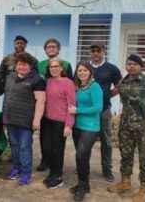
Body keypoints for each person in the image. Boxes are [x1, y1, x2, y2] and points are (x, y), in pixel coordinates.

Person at [108, 54, 145, 202]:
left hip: (143, 128)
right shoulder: (122, 82)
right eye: (129, 64)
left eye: (135, 64)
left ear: (141, 66)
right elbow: (111, 94)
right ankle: (125, 183)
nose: (131, 66)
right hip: (125, 126)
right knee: (125, 155)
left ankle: (144, 191)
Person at [3, 52, 46, 186]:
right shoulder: (10, 77)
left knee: (24, 147)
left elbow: (41, 101)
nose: (21, 67)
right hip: (10, 119)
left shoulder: (37, 80)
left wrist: (37, 120)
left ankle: (26, 174)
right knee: (14, 146)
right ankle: (17, 168)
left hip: (26, 121)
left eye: (24, 65)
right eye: (19, 64)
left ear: (30, 66)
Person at [68, 62, 103, 201]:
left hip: (91, 127)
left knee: (80, 156)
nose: (81, 73)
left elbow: (98, 107)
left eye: (84, 70)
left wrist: (77, 110)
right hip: (78, 127)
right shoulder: (78, 88)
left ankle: (82, 187)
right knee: (83, 157)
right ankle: (85, 184)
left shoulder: (95, 87)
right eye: (79, 70)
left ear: (90, 72)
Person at [37, 38, 73, 172]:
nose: (51, 49)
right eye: (48, 47)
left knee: (56, 145)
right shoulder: (39, 65)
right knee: (44, 140)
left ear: (58, 49)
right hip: (45, 108)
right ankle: (45, 160)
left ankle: (56, 171)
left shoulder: (66, 65)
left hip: (60, 111)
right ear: (45, 50)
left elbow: (70, 88)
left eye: (54, 47)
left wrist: (69, 122)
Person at [89, 41, 122, 182]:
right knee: (84, 140)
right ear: (90, 52)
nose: (96, 53)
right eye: (93, 51)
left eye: (99, 50)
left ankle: (107, 168)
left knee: (106, 141)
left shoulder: (112, 69)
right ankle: (82, 165)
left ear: (104, 52)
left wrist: (108, 95)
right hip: (86, 111)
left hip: (104, 110)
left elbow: (120, 85)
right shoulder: (84, 67)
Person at [42, 58, 75, 189]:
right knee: (46, 148)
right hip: (47, 120)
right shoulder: (48, 82)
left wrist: (68, 125)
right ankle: (52, 172)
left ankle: (58, 175)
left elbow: (72, 105)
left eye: (56, 66)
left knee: (57, 149)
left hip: (60, 121)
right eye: (51, 67)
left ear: (62, 68)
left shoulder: (68, 83)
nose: (54, 69)